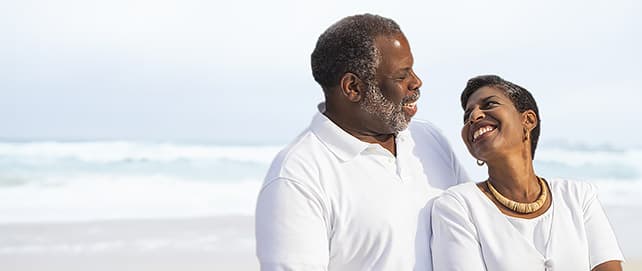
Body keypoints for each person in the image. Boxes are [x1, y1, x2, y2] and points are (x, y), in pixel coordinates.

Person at [255, 14, 469, 271]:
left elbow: (474, 228)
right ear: (353, 87)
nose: (416, 82)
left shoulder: (429, 139)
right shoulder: (297, 178)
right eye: (402, 76)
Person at [431, 75, 624, 271]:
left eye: (489, 104)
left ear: (528, 120)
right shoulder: (458, 206)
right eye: (467, 116)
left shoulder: (578, 196)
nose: (474, 116)